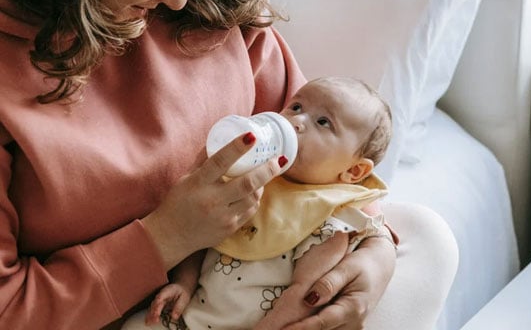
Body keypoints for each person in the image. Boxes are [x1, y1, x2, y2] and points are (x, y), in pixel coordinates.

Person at [0, 0, 457, 329]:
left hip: (236, 290)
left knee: (424, 234)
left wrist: (372, 250)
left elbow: (332, 163)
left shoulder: (206, 4)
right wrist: (168, 237)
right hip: (105, 315)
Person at [122, 76, 394, 330]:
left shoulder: (328, 221)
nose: (296, 121)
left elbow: (303, 295)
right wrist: (184, 282)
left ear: (354, 172)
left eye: (323, 122)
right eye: (296, 106)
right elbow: (199, 234)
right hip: (189, 318)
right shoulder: (251, 175)